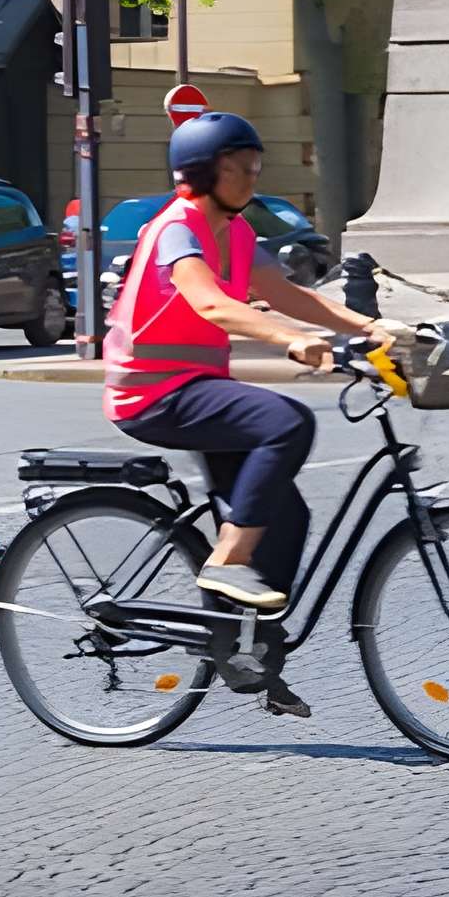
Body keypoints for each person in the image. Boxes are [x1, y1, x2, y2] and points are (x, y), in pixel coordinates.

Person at [103, 113, 414, 716]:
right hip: (151, 392)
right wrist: (287, 342)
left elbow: (291, 294)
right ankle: (227, 560)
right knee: (288, 422)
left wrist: (372, 327)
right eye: (237, 167)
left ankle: (245, 652)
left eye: (254, 166)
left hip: (196, 386)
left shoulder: (238, 234)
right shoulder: (177, 228)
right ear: (200, 173)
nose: (250, 176)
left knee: (287, 514)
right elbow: (210, 302)